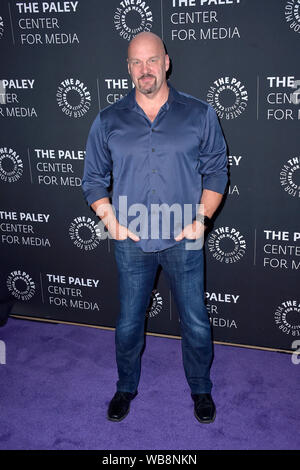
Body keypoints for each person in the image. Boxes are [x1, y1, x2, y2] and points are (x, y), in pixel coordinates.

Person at [82, 32, 228, 424]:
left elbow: (216, 171)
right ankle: (125, 386)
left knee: (195, 320)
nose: (144, 70)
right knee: (129, 321)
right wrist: (111, 222)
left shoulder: (200, 113)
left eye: (151, 61)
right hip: (131, 240)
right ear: (128, 68)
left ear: (166, 61)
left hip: (185, 238)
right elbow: (93, 179)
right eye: (136, 62)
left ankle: (201, 389)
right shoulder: (108, 119)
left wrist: (201, 220)